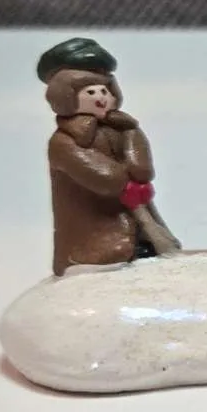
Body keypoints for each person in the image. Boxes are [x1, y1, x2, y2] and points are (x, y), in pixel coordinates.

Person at [38, 37, 178, 275]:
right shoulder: (64, 141)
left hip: (138, 219)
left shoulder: (123, 128)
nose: (100, 97)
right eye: (90, 92)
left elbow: (142, 168)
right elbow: (106, 178)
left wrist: (131, 136)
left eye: (104, 90)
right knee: (105, 253)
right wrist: (126, 181)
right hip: (94, 232)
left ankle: (144, 246)